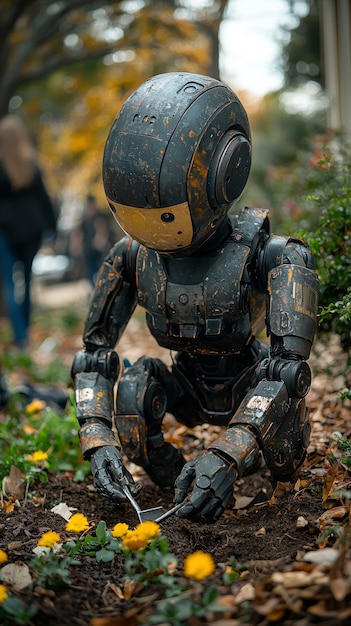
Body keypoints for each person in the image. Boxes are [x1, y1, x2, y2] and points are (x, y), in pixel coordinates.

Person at [71, 72, 319, 524]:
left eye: (162, 215)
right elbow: (93, 356)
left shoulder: (277, 256)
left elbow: (287, 372)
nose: (150, 232)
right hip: (185, 384)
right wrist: (98, 439)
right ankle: (176, 480)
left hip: (253, 387)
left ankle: (230, 469)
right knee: (133, 389)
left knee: (286, 466)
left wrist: (227, 455)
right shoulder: (133, 257)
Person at [0, 115, 57, 349]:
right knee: (27, 279)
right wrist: (53, 226)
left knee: (10, 283)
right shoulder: (31, 164)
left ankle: (21, 336)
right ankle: (25, 332)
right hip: (32, 230)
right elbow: (44, 199)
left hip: (4, 230)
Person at [80, 194, 115, 286]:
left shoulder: (100, 216)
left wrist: (102, 242)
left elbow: (102, 230)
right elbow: (80, 235)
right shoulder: (85, 219)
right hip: (89, 250)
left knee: (102, 270)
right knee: (91, 273)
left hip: (100, 250)